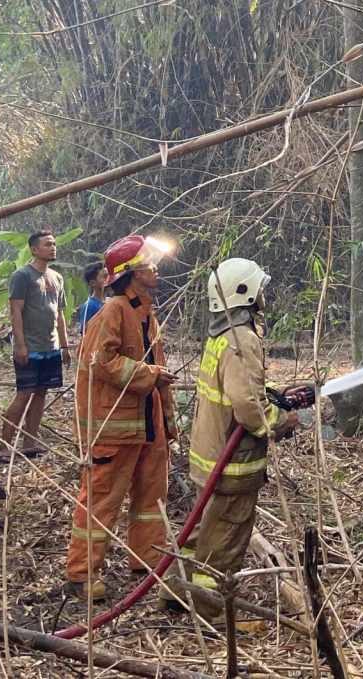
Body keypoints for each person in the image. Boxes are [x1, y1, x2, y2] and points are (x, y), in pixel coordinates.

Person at [160, 258, 299, 618]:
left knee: (199, 530)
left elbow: (237, 388)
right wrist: (281, 420)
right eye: (260, 288)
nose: (264, 294)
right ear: (246, 293)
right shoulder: (243, 340)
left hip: (207, 455)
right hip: (232, 465)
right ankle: (210, 611)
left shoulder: (221, 337)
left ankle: (176, 591)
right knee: (225, 538)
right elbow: (248, 407)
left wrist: (271, 394)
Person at [65, 235, 178, 601]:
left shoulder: (145, 311)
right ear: (132, 273)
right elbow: (104, 362)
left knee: (151, 497)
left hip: (147, 425)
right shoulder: (113, 311)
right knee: (101, 501)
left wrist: (168, 418)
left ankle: (147, 560)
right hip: (114, 429)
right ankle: (82, 574)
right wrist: (151, 375)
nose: (155, 270)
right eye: (149, 265)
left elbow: (153, 364)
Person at [0, 230, 70, 460]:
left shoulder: (57, 278)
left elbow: (59, 314)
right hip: (30, 347)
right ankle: (3, 445)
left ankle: (30, 442)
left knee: (41, 393)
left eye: (54, 244)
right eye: (47, 244)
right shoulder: (22, 276)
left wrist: (65, 346)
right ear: (34, 249)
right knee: (24, 393)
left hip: (51, 346)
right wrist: (20, 345)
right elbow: (15, 312)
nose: (53, 247)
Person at [73, 262, 108, 334]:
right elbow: (85, 332)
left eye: (108, 276)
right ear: (93, 283)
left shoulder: (110, 301)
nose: (108, 279)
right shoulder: (89, 306)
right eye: (104, 277)